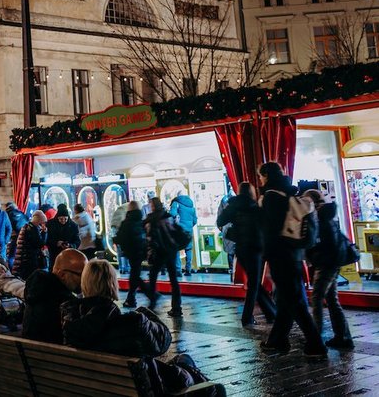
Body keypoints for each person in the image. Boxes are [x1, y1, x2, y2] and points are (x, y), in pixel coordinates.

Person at [60, 260, 215, 395]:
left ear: (85, 284)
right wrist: (144, 314)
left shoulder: (70, 322)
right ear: (112, 284)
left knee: (183, 362)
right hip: (147, 388)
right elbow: (163, 342)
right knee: (204, 380)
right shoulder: (131, 323)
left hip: (98, 388)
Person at [258, 161, 326, 358]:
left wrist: (266, 255)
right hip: (294, 253)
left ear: (266, 176)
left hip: (280, 255)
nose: (260, 180)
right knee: (286, 300)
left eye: (261, 176)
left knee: (295, 302)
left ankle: (316, 345)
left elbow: (271, 231)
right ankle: (276, 341)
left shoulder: (271, 197)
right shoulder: (289, 193)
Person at [216, 181, 275, 326]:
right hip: (255, 248)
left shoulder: (233, 205)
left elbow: (220, 221)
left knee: (255, 283)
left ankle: (271, 312)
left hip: (241, 248)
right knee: (254, 284)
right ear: (252, 192)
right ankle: (247, 317)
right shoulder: (256, 207)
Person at [302, 189, 354, 349]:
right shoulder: (327, 215)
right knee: (331, 299)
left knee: (317, 298)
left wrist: (312, 255)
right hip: (332, 262)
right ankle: (343, 336)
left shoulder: (318, 217)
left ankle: (316, 337)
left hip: (326, 263)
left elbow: (320, 243)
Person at [22, 248, 87, 343]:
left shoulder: (38, 292)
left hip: (31, 351)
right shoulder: (66, 304)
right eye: (81, 274)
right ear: (62, 274)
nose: (85, 279)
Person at [144, 197, 183, 317]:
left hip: (159, 251)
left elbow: (150, 237)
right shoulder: (168, 216)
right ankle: (176, 307)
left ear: (152, 206)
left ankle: (152, 302)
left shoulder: (151, 219)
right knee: (173, 280)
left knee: (153, 276)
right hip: (171, 250)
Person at [115, 201, 154, 308]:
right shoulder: (141, 220)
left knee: (134, 276)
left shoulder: (127, 222)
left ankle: (147, 295)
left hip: (131, 252)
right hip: (140, 252)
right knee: (135, 275)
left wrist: (115, 239)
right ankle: (133, 298)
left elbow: (120, 237)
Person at [12, 210, 48, 281]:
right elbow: (40, 243)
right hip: (29, 260)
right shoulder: (32, 229)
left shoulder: (26, 226)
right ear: (38, 220)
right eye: (41, 222)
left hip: (24, 259)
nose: (42, 225)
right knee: (30, 280)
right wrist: (44, 233)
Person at [169, 193, 198, 276]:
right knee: (188, 249)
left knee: (176, 249)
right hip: (189, 231)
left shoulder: (176, 203)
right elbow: (195, 220)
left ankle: (178, 270)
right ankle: (188, 270)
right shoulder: (191, 206)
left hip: (179, 230)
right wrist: (189, 226)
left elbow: (172, 214)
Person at [4, 202, 28, 268]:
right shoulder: (21, 213)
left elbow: (6, 227)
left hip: (15, 237)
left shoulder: (7, 214)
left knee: (11, 256)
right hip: (25, 236)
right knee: (22, 256)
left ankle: (12, 270)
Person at [109, 201, 130, 274]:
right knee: (125, 249)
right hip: (120, 229)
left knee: (119, 250)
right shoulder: (128, 208)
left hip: (114, 228)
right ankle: (126, 267)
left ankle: (121, 267)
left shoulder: (120, 209)